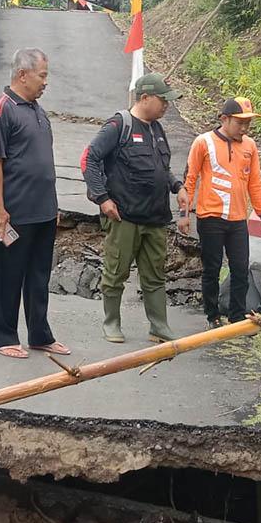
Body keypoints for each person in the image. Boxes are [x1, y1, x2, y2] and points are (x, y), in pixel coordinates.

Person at [83, 73, 188, 344]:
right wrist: (102, 198)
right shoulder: (119, 125)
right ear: (144, 98)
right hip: (125, 217)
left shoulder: (157, 129)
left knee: (155, 275)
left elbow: (161, 169)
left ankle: (159, 327)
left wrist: (177, 187)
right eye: (163, 100)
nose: (167, 106)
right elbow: (90, 159)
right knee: (116, 272)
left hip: (155, 218)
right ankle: (111, 323)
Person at [0, 48, 70, 359]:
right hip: (13, 211)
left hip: (43, 211)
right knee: (8, 275)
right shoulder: (1, 110)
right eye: (42, 75)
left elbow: (42, 163)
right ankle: (3, 336)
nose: (46, 82)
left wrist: (52, 205)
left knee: (38, 276)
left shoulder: (37, 110)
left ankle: (39, 334)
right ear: (23, 75)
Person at [178, 97, 261, 328]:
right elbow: (190, 180)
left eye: (248, 123)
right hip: (210, 217)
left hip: (238, 219)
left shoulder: (250, 146)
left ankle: (237, 317)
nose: (244, 128)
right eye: (240, 123)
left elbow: (255, 184)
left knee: (241, 268)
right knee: (211, 268)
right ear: (224, 119)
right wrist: (184, 214)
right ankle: (212, 316)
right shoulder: (203, 143)